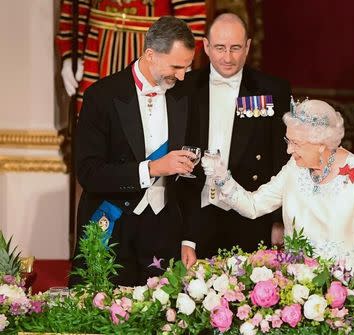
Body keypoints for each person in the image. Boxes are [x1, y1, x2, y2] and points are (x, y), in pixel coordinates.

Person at [202, 99, 354, 285]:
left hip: (347, 294)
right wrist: (222, 178)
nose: (288, 149)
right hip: (297, 291)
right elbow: (254, 205)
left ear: (321, 144)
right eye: (288, 140)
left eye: (296, 143)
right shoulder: (294, 168)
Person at [72, 16, 197, 287]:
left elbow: (193, 179)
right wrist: (151, 169)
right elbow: (89, 173)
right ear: (150, 54)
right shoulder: (101, 96)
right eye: (176, 66)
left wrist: (189, 238)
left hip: (165, 231)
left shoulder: (185, 95)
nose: (182, 75)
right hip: (112, 226)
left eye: (187, 67)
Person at [175, 13, 291, 258]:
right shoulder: (184, 88)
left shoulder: (271, 89)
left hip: (250, 211)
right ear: (205, 46)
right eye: (219, 48)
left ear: (248, 46)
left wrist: (278, 220)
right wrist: (185, 230)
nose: (227, 57)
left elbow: (281, 158)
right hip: (197, 209)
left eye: (235, 48)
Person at [56, 0, 206, 111]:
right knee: (94, 113)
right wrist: (69, 52)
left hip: (154, 46)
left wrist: (181, 57)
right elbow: (76, 6)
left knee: (150, 119)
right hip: (98, 46)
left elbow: (191, 11)